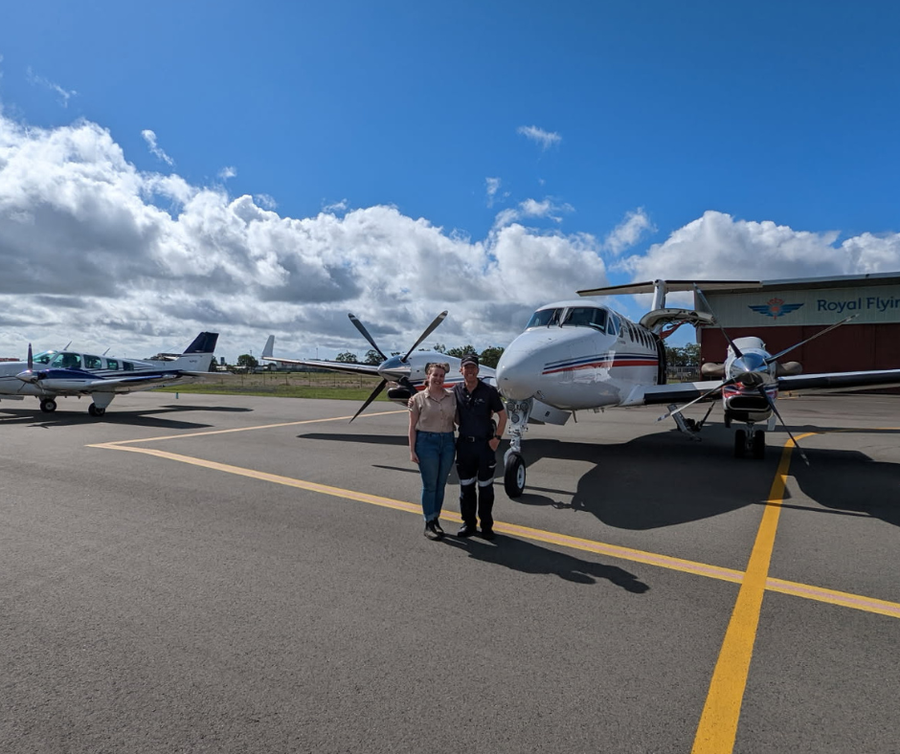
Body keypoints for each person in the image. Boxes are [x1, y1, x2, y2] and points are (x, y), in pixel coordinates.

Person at [454, 353, 507, 540]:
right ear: (461, 370)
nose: (470, 370)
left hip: (485, 446)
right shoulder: (455, 390)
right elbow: (438, 403)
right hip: (464, 446)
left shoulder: (489, 391)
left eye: (473, 367)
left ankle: (486, 526)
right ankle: (468, 524)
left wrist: (497, 439)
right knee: (466, 489)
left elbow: (503, 415)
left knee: (486, 488)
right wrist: (413, 400)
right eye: (466, 367)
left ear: (478, 370)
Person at [408, 362, 457, 540]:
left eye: (441, 376)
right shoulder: (418, 399)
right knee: (430, 485)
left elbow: (460, 416)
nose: (438, 378)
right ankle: (428, 522)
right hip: (426, 442)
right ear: (428, 376)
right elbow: (412, 427)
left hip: (448, 442)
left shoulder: (452, 397)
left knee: (441, 484)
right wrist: (412, 450)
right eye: (435, 375)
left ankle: (436, 518)